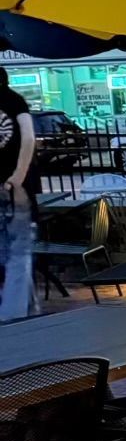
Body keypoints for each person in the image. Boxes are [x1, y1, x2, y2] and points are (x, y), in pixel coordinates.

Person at [0, 67, 39, 322]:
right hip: (17, 190)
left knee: (12, 253)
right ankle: (20, 314)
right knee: (18, 253)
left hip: (12, 187)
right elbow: (28, 139)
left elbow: (28, 139)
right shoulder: (15, 100)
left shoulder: (13, 101)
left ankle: (17, 314)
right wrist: (18, 177)